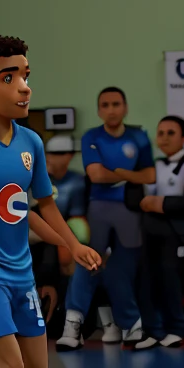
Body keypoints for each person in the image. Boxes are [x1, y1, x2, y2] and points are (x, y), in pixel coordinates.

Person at [0, 36, 102, 368]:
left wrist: (72, 245)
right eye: (9, 77)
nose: (23, 88)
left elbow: (36, 207)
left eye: (26, 76)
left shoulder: (30, 142)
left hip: (22, 274)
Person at [56, 87, 153, 350]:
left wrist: (119, 173)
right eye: (105, 105)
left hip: (131, 212)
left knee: (121, 269)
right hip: (99, 209)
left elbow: (150, 175)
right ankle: (72, 328)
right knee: (88, 264)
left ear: (125, 107)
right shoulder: (92, 136)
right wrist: (129, 173)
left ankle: (131, 326)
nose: (111, 109)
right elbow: (96, 175)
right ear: (99, 110)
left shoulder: (139, 137)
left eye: (116, 104)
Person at [132, 114, 184, 348]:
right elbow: (140, 199)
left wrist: (159, 203)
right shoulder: (153, 165)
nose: (164, 138)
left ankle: (176, 329)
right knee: (147, 280)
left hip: (176, 231)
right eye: (160, 133)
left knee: (171, 280)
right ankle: (152, 330)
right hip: (150, 230)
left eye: (170, 133)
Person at [35, 134, 88, 335]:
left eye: (60, 154)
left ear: (70, 156)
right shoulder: (37, 178)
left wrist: (65, 243)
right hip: (35, 235)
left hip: (63, 236)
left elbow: (77, 220)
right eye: (50, 153)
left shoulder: (77, 182)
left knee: (67, 262)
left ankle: (62, 318)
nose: (53, 158)